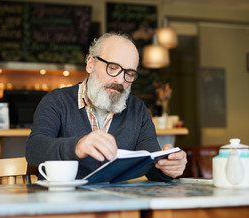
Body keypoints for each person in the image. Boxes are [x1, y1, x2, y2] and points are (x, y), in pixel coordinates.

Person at [26, 32, 187, 181]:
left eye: (129, 73)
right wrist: (76, 146)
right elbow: (34, 150)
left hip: (118, 205)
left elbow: (150, 165)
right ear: (90, 64)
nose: (120, 80)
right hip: (62, 204)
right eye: (113, 68)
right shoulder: (57, 101)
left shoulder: (137, 110)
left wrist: (168, 167)